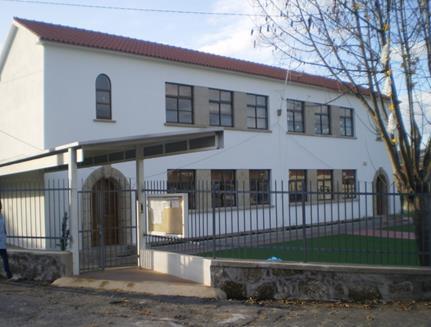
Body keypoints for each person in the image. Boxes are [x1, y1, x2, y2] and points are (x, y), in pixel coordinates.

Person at [0, 201, 12, 279]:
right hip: (2, 240)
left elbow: (4, 228)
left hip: (2, 240)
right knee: (4, 258)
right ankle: (9, 275)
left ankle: (9, 274)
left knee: (4, 258)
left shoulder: (1, 216)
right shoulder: (1, 216)